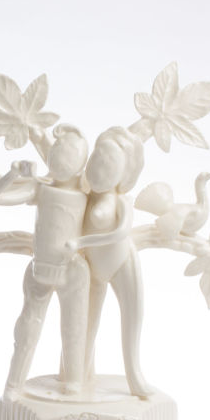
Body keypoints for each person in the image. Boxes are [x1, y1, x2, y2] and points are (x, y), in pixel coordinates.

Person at [0, 124, 90, 399]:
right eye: (58, 150)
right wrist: (12, 174)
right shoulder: (40, 189)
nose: (61, 157)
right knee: (27, 328)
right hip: (39, 267)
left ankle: (74, 382)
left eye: (69, 153)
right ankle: (13, 384)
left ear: (80, 163)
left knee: (74, 328)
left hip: (73, 270)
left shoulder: (86, 194)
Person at [67, 126, 151, 398]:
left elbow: (120, 233)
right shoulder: (84, 197)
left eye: (109, 162)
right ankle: (77, 373)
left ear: (124, 174)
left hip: (123, 264)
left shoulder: (122, 202)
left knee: (131, 322)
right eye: (96, 157)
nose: (98, 167)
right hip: (91, 270)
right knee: (84, 324)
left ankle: (134, 376)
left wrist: (81, 242)